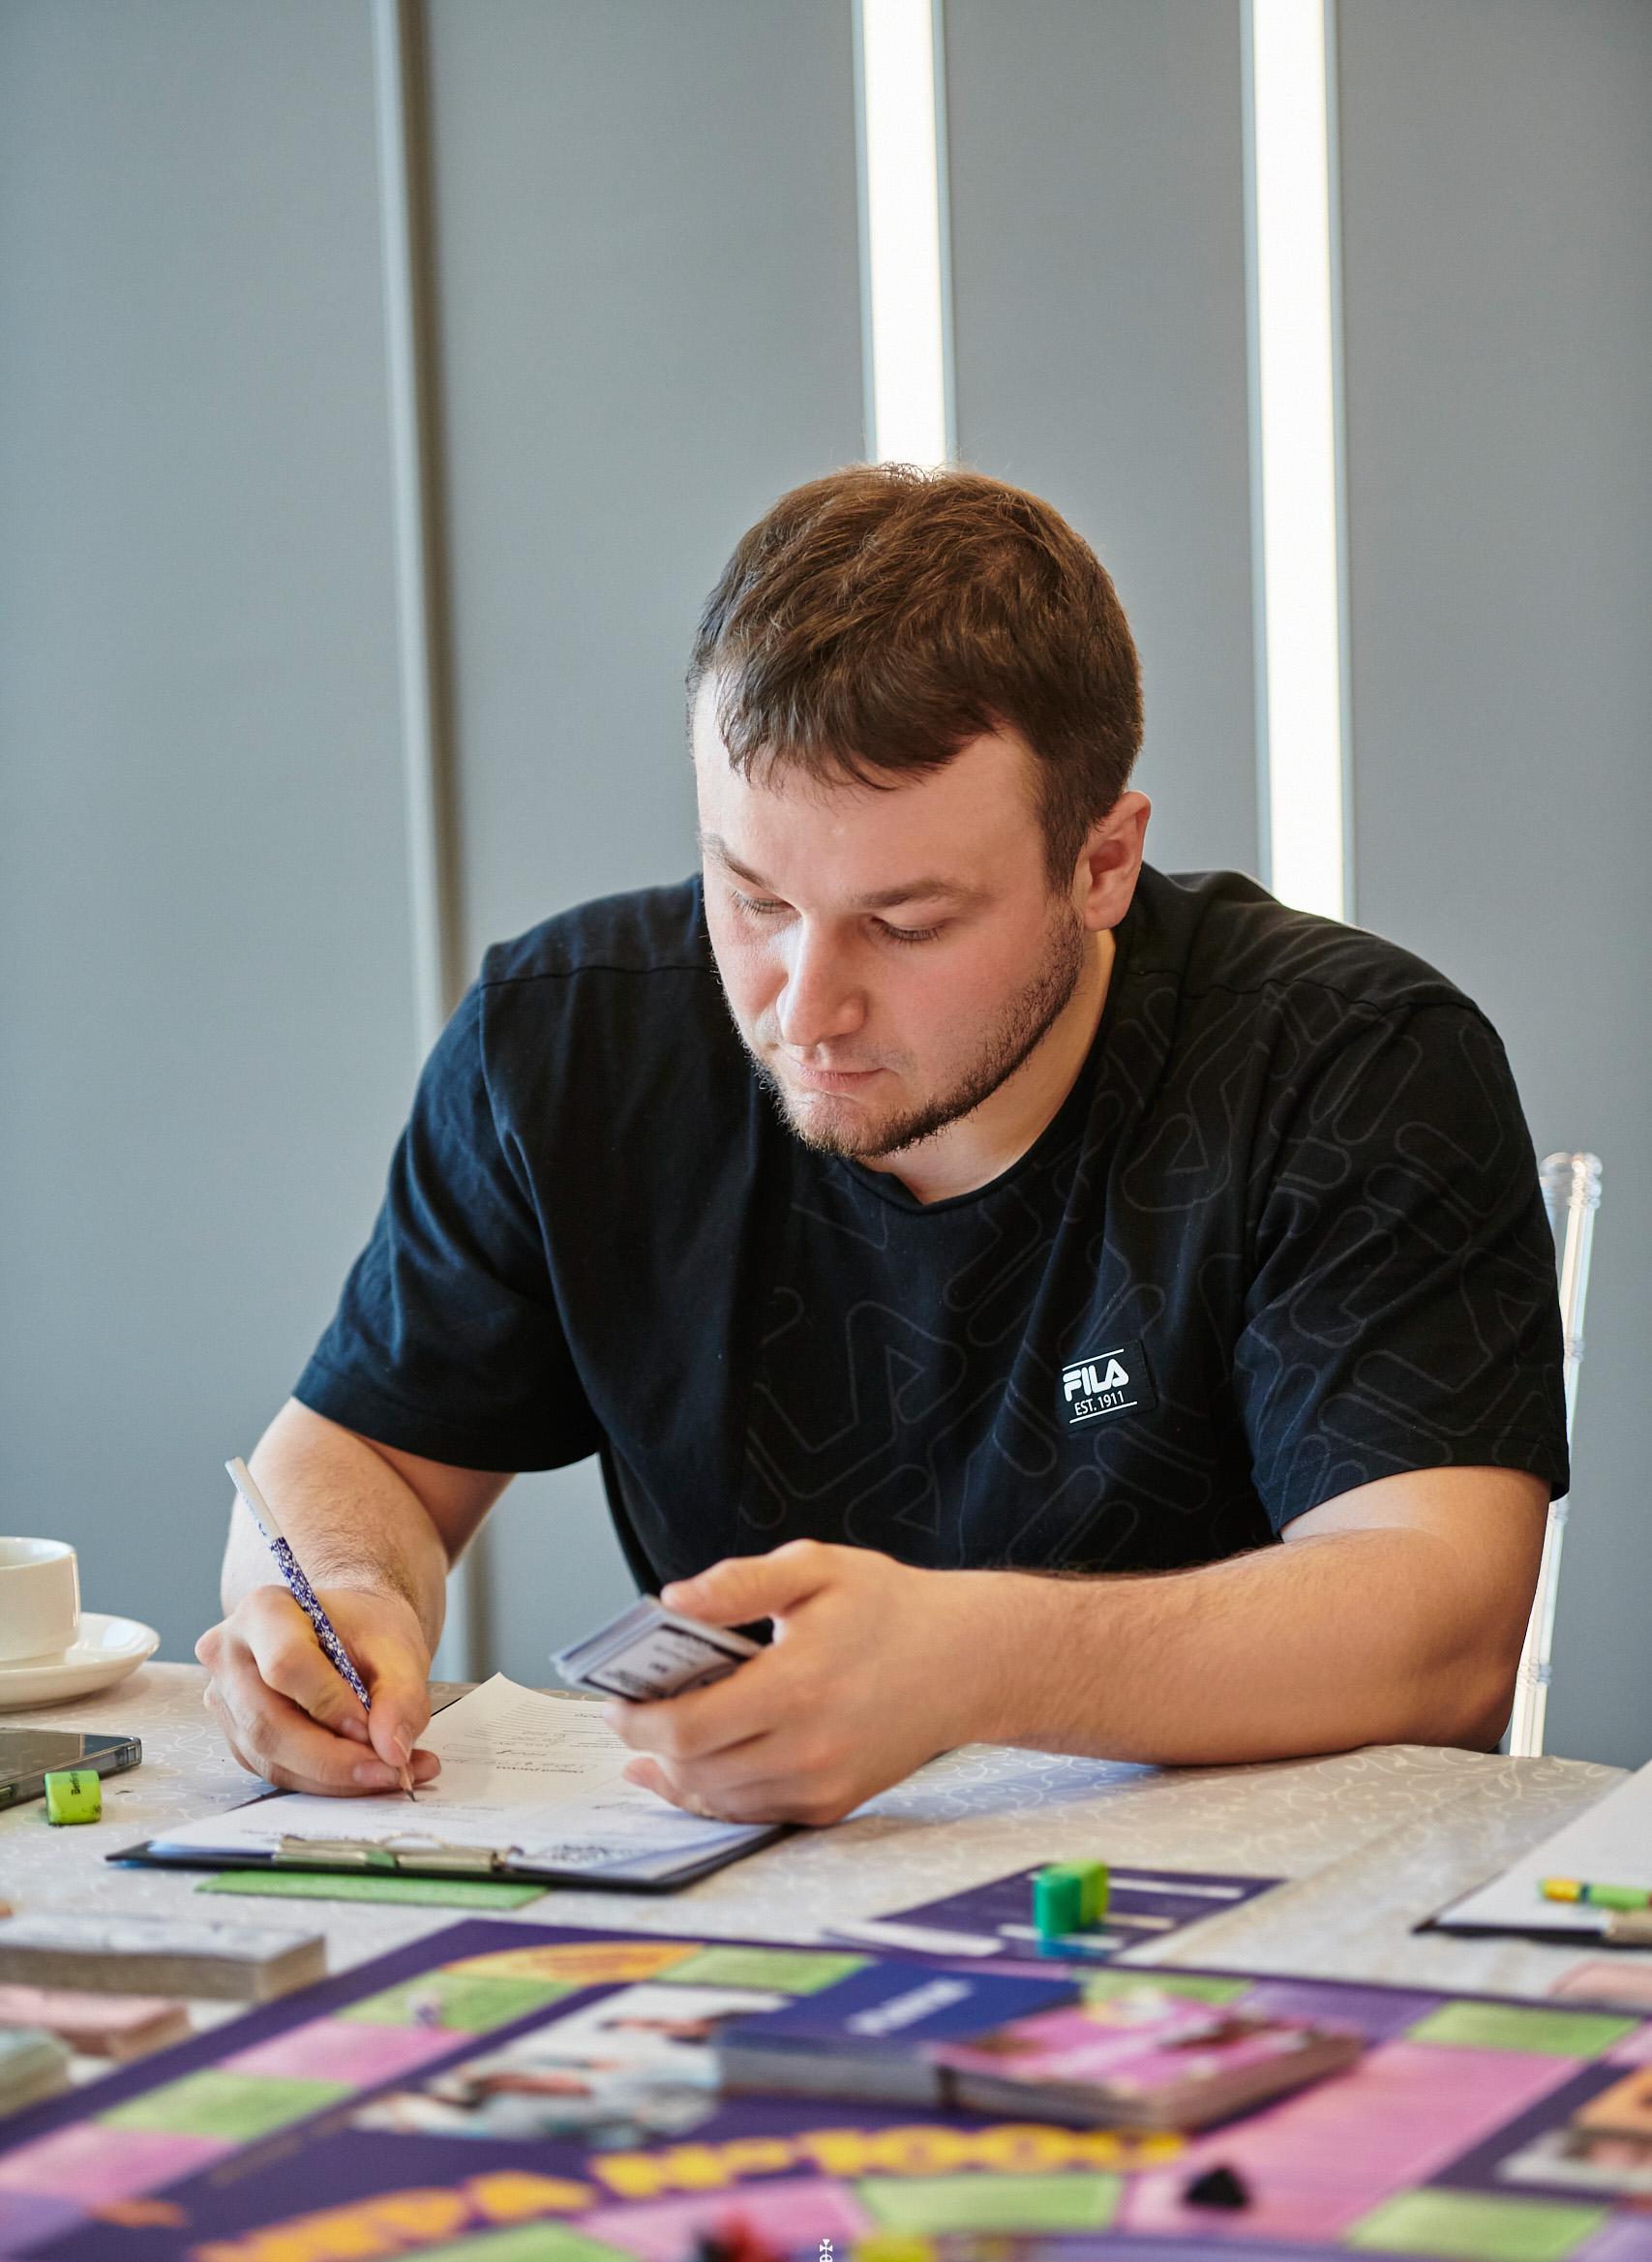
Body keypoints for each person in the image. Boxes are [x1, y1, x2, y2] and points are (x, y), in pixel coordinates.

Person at [197, 466, 1567, 1824]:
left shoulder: (1345, 1060)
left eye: (907, 925)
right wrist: (335, 1596)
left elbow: (1443, 1630)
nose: (804, 1010)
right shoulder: (566, 1044)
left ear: (1101, 864)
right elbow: (366, 1455)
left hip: (1255, 1902)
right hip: (744, 1904)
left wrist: (972, 1665)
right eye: (753, 898)